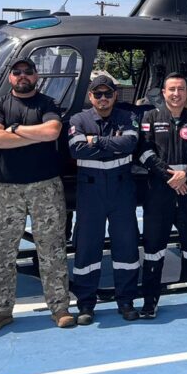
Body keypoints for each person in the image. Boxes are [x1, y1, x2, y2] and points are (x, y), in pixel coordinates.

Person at [0, 57, 73, 333]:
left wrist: (15, 130)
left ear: (36, 76)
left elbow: (52, 131)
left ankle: (60, 307)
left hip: (45, 186)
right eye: (17, 72)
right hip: (7, 187)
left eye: (28, 72)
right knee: (2, 252)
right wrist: (33, 135)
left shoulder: (47, 103)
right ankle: (1, 311)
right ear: (10, 77)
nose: (23, 76)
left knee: (52, 248)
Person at [136, 73, 187, 318]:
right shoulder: (149, 117)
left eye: (180, 89)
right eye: (171, 89)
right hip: (159, 193)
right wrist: (169, 177)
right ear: (163, 92)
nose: (176, 93)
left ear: (186, 92)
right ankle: (150, 300)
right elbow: (143, 151)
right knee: (153, 248)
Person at [68, 74, 142, 324]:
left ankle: (126, 300)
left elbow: (131, 143)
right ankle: (86, 304)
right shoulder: (79, 119)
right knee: (88, 250)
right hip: (91, 193)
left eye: (107, 94)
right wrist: (113, 143)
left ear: (114, 96)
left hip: (121, 191)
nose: (102, 98)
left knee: (127, 246)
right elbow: (76, 148)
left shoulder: (126, 117)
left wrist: (96, 141)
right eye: (97, 94)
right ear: (90, 96)